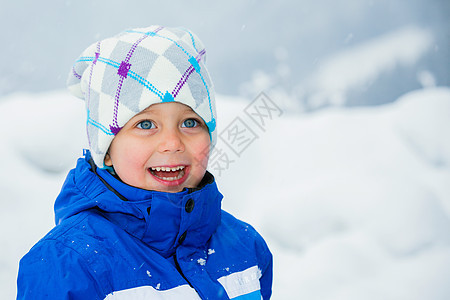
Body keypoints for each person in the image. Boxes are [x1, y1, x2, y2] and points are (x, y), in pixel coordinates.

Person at [17, 25, 272, 299]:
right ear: (107, 148)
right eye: (146, 124)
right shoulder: (69, 265)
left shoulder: (245, 246)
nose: (172, 143)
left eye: (190, 122)